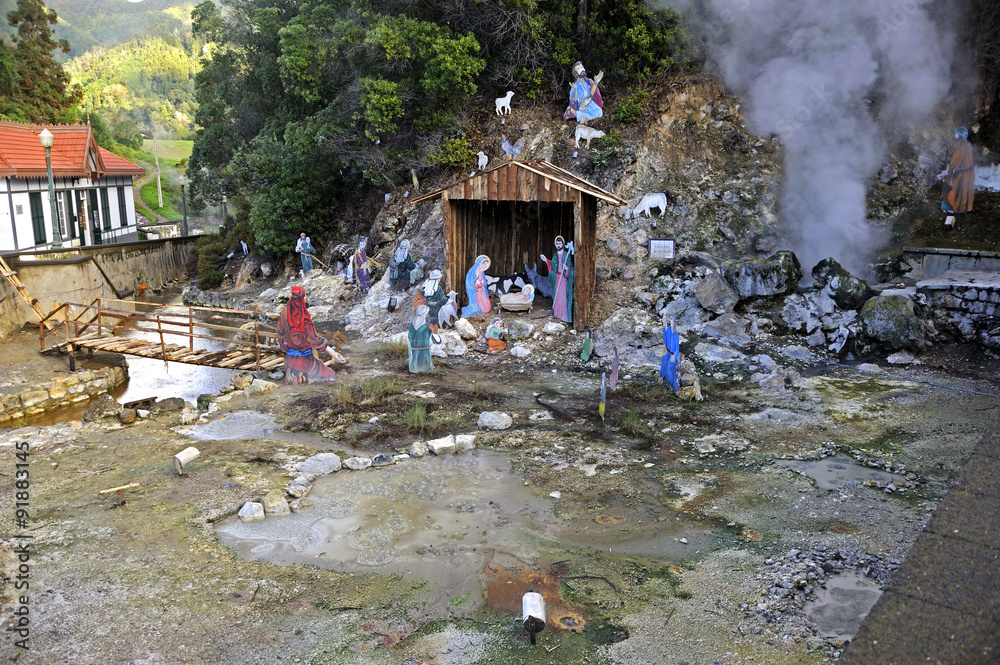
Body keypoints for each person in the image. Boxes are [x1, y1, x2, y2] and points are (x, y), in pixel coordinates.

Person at [277, 286, 343, 384]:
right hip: (305, 361)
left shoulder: (284, 313)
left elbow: (280, 334)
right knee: (331, 375)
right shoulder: (304, 317)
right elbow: (314, 339)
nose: (306, 298)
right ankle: (305, 377)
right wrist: (332, 353)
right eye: (304, 296)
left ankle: (293, 376)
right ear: (301, 299)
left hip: (289, 361)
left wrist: (286, 347)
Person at [938, 126, 975, 224]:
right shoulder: (966, 146)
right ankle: (956, 207)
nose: (955, 135)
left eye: (956, 133)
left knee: (952, 188)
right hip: (965, 173)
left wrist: (949, 172)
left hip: (959, 173)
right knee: (960, 189)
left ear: (959, 135)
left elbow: (956, 163)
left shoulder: (961, 148)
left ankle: (951, 207)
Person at [540, 236, 574, 324]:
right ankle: (557, 315)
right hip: (557, 277)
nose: (558, 245)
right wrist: (546, 260)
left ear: (563, 244)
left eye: (560, 243)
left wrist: (567, 268)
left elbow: (571, 268)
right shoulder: (555, 254)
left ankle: (565, 316)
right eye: (557, 243)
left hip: (564, 279)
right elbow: (553, 265)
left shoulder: (566, 255)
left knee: (563, 297)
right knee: (557, 296)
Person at [407, 305, 440, 373]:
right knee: (426, 369)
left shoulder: (411, 325)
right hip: (424, 351)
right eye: (427, 313)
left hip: (414, 350)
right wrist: (433, 331)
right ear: (424, 314)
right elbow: (438, 340)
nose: (428, 315)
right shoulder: (427, 326)